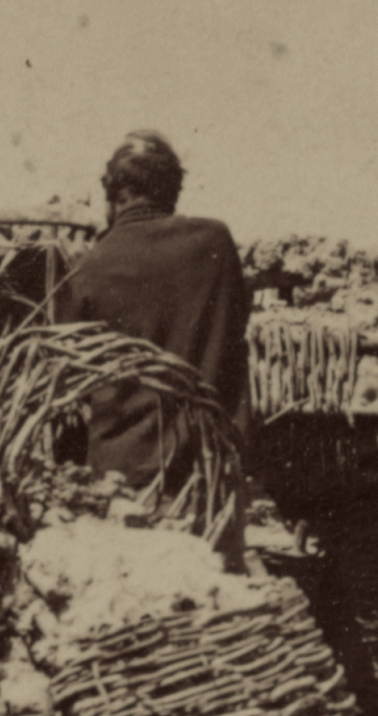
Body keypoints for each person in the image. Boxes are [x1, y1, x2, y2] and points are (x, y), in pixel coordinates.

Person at [63, 130, 252, 498]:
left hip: (121, 480)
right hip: (208, 474)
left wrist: (81, 270)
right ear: (173, 190)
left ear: (114, 195)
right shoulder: (215, 242)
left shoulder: (90, 267)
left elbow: (74, 380)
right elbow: (234, 327)